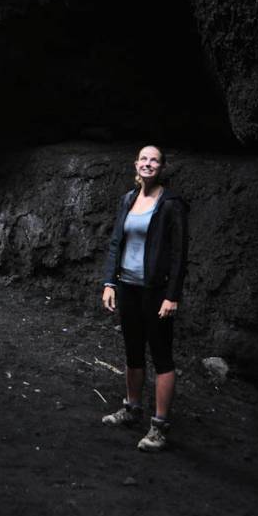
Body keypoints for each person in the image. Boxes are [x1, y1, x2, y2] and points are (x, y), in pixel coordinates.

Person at [101, 145, 189, 452]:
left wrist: (172, 296)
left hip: (156, 292)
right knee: (132, 351)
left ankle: (159, 427)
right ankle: (131, 409)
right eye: (144, 159)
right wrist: (110, 282)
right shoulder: (128, 199)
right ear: (136, 164)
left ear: (162, 167)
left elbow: (179, 254)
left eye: (154, 160)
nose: (148, 163)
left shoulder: (171, 204)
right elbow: (116, 243)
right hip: (128, 287)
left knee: (162, 356)